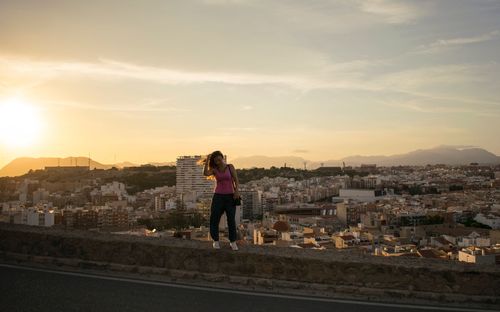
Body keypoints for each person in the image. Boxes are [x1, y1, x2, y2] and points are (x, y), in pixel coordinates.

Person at [201, 151, 240, 251]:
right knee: (214, 218)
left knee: (231, 219)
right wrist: (207, 161)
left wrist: (236, 191)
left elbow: (236, 179)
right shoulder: (215, 170)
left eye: (219, 159)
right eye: (216, 160)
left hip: (230, 196)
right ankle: (216, 241)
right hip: (218, 196)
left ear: (222, 157)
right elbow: (205, 173)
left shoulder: (230, 167)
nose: (218, 161)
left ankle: (233, 242)